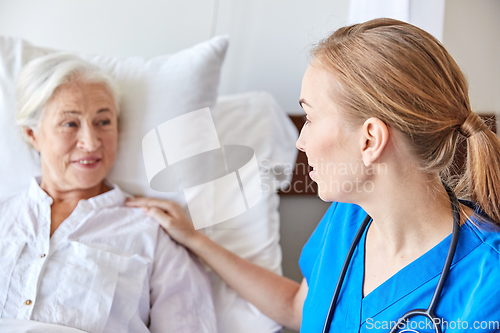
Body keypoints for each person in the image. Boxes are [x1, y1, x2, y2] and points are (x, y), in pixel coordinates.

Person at [127, 18, 500, 332]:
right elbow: (297, 306)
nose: (301, 141)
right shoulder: (348, 217)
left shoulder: (489, 281)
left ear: (370, 138)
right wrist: (196, 240)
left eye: (310, 117)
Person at [0, 53, 217, 332]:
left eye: (103, 122)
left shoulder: (152, 232)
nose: (91, 143)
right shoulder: (5, 216)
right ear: (32, 134)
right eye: (70, 123)